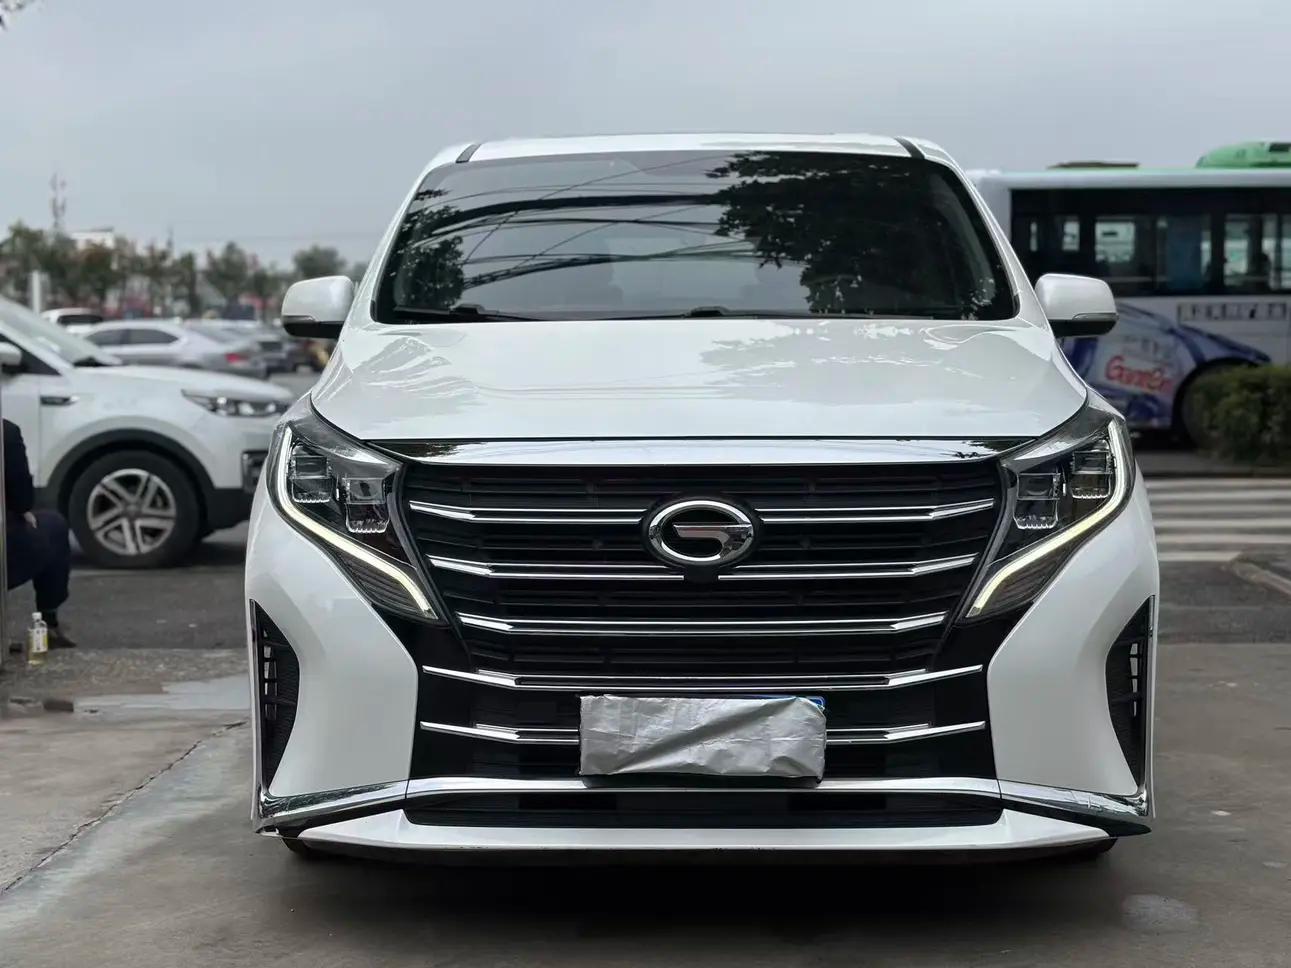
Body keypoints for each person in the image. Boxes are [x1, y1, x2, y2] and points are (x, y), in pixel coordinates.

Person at [4, 419, 76, 648]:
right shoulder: (5, 432)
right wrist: (21, 510)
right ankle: (48, 621)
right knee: (53, 526)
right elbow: (22, 498)